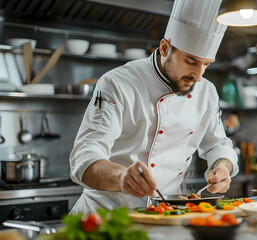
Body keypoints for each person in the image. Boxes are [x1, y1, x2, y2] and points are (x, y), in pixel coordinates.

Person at [69, 0, 239, 214]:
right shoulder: (117, 83)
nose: (199, 76)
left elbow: (218, 146)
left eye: (206, 64)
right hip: (104, 217)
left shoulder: (207, 92)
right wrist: (123, 178)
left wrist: (222, 167)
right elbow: (85, 157)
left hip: (164, 216)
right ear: (165, 48)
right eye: (191, 61)